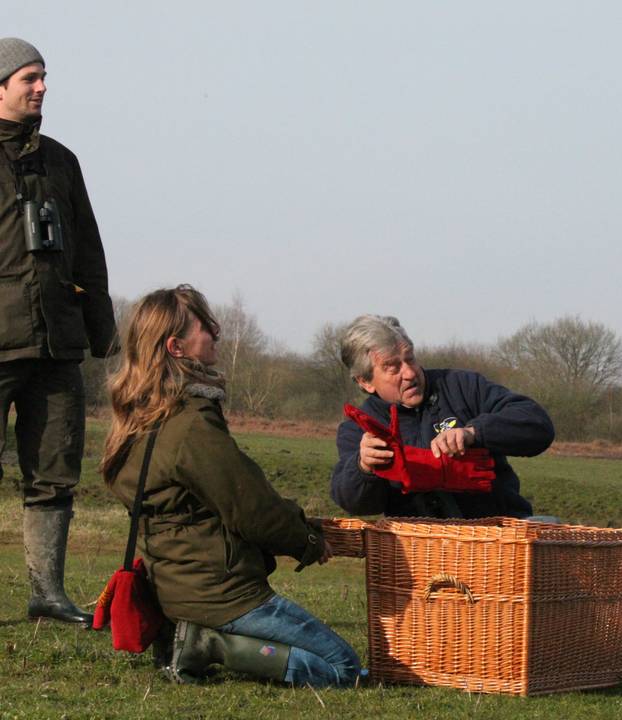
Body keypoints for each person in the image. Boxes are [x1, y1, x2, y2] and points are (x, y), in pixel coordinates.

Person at [100, 286, 360, 687]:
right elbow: (251, 509)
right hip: (220, 594)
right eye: (205, 324)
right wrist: (307, 540)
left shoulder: (139, 421)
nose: (216, 331)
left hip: (175, 591)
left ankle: (191, 638)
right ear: (177, 347)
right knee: (346, 670)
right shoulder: (190, 425)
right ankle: (210, 646)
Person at [0, 37, 116, 626]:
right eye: (29, 78)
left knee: (54, 474)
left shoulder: (62, 161)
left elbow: (88, 250)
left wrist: (103, 334)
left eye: (44, 77)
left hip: (56, 345)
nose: (42, 87)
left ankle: (47, 594)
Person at [330, 315, 555, 519]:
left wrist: (474, 432)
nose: (409, 373)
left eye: (410, 359)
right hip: (423, 552)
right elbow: (355, 503)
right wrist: (364, 468)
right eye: (393, 367)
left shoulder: (463, 387)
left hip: (498, 541)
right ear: (365, 382)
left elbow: (537, 424)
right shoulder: (359, 428)